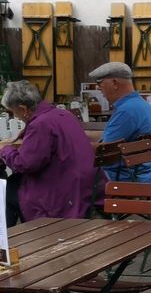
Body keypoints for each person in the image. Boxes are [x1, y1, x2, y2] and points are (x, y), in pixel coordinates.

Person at [0, 80, 101, 224]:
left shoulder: (40, 125)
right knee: (14, 184)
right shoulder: (63, 114)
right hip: (83, 186)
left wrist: (5, 149)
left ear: (23, 108)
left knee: (8, 189)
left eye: (14, 111)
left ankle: (9, 235)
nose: (15, 116)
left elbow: (25, 165)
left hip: (62, 193)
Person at [88, 61, 151, 182]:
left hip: (121, 178)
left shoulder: (126, 111)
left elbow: (105, 150)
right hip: (140, 175)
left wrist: (72, 143)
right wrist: (81, 134)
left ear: (114, 83)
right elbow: (113, 137)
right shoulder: (139, 104)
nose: (98, 88)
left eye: (100, 82)